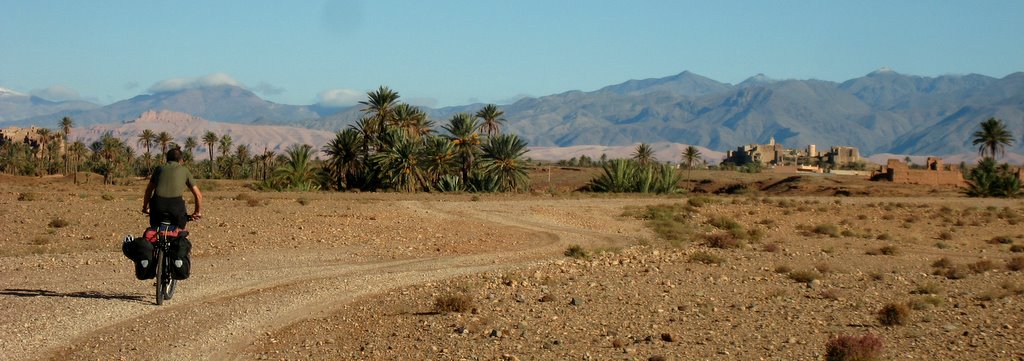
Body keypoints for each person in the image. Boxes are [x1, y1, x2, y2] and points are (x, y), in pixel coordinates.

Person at [143, 147, 202, 227]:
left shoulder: (159, 169)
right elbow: (198, 195)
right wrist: (197, 212)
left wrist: (145, 207)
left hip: (158, 206)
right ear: (181, 160)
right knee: (180, 231)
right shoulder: (184, 170)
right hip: (176, 207)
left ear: (167, 159)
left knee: (154, 228)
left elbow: (148, 191)